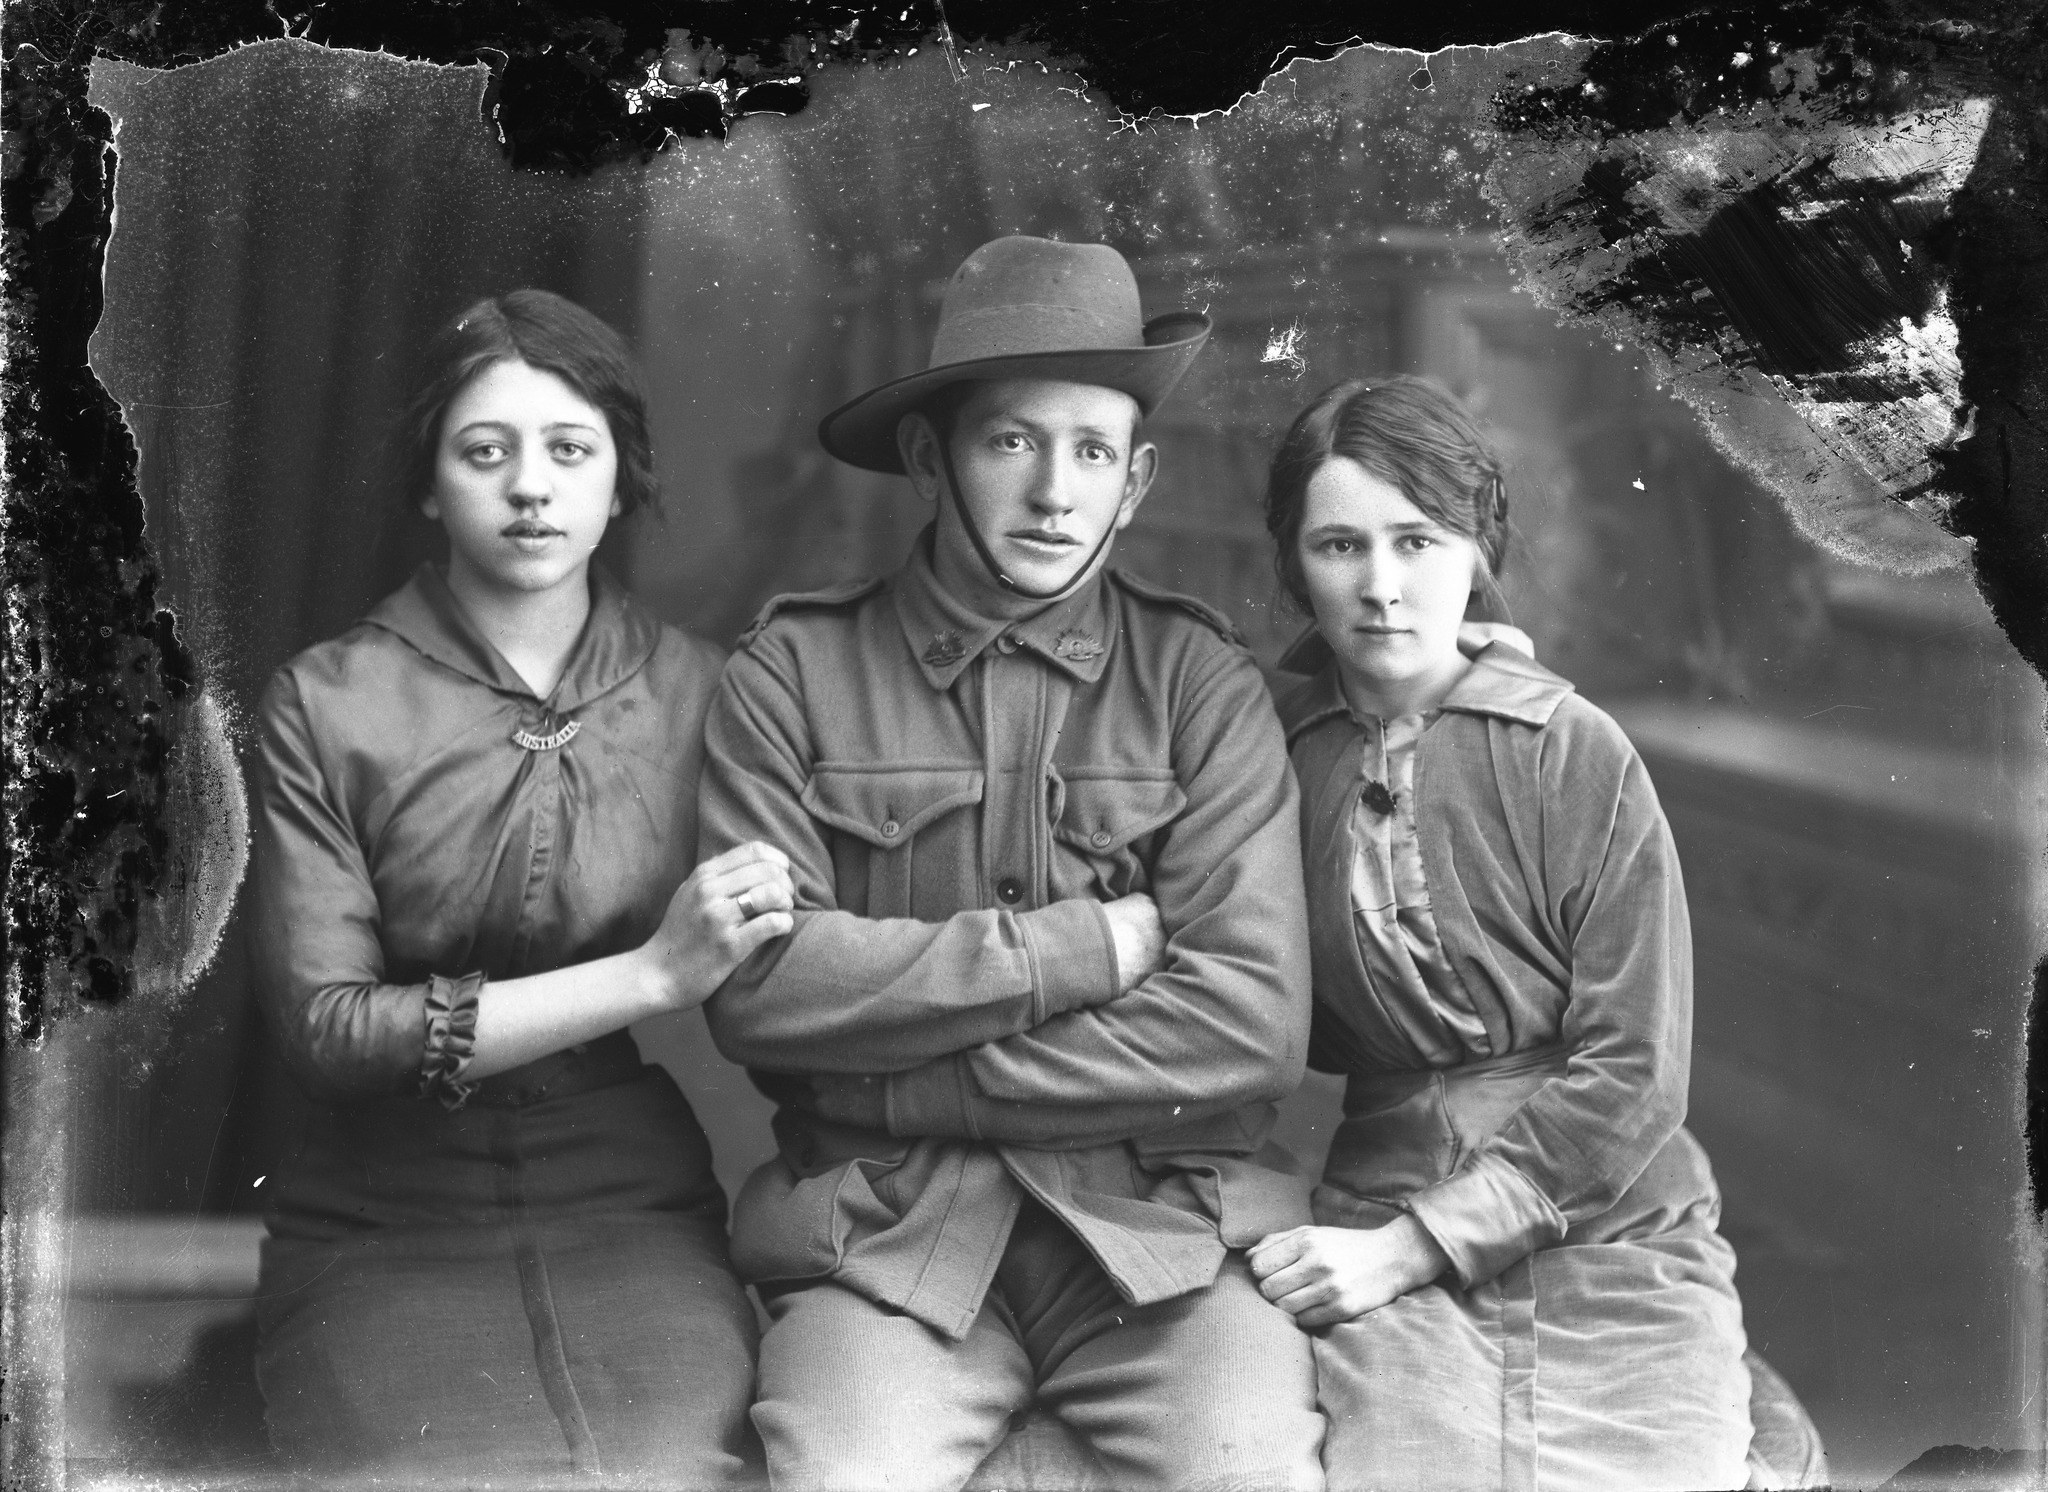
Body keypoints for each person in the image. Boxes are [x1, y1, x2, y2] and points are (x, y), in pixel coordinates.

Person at [696, 235, 1326, 1492]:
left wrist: (891, 1071)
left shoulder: (1200, 686)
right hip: (885, 1247)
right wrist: (1086, 949)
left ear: (1137, 481)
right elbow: (760, 994)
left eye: (1091, 451)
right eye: (1009, 442)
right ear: (930, 460)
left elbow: (1247, 1026)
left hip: (1160, 1253)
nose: (1053, 491)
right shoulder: (792, 676)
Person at [248, 289, 793, 1485]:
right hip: (382, 1213)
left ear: (620, 479)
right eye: (484, 453)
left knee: (674, 1462)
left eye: (569, 450)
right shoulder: (324, 703)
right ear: (431, 486)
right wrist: (650, 973)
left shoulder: (708, 693)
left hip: (627, 1195)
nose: (531, 487)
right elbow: (331, 1031)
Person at [1244, 375, 1824, 1492]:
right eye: (1337, 546)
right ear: (1292, 563)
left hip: (1607, 1219)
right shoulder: (1275, 762)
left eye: (1417, 539)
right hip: (1380, 1206)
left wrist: (1416, 1244)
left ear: (1475, 545)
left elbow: (1635, 1072)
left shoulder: (1570, 749)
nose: (1379, 587)